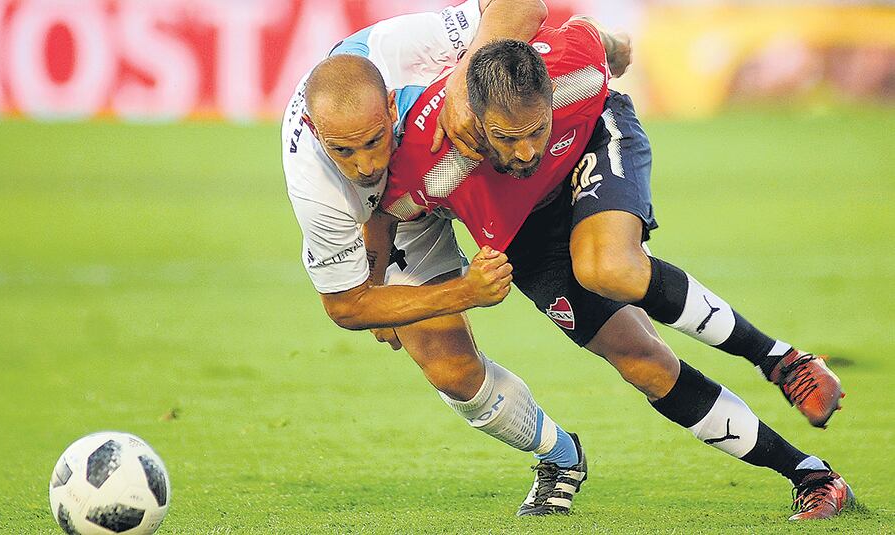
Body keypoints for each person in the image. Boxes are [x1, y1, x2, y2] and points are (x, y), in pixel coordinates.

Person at [376, 28, 854, 520]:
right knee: (643, 362)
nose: (525, 153)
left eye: (537, 130)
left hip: (592, 150)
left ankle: (784, 363)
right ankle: (813, 476)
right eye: (506, 138)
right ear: (471, 117)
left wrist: (617, 46)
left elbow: (589, 35)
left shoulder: (576, 75)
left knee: (609, 268)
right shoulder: (427, 162)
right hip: (524, 231)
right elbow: (383, 215)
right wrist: (377, 296)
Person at [283, 0, 637, 516]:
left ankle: (593, 43)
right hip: (403, 210)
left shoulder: (401, 50)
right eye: (344, 153)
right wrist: (451, 291)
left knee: (525, 78)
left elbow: (522, 7)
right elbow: (345, 307)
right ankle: (561, 456)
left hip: (459, 157)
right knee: (451, 370)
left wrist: (460, 80)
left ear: (389, 106)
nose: (364, 165)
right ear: (317, 136)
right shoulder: (316, 191)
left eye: (375, 142)